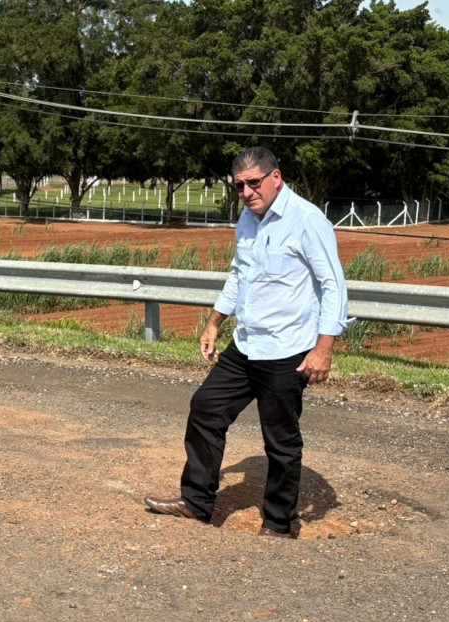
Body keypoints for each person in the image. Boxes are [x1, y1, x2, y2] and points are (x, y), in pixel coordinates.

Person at [144, 146, 351, 538]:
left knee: (281, 440)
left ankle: (278, 523)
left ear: (276, 177)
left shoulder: (307, 220)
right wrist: (214, 323)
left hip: (287, 350)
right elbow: (239, 275)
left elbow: (333, 286)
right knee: (206, 408)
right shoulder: (248, 219)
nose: (246, 192)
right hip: (247, 345)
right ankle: (197, 502)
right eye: (239, 186)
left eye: (253, 183)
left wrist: (324, 348)